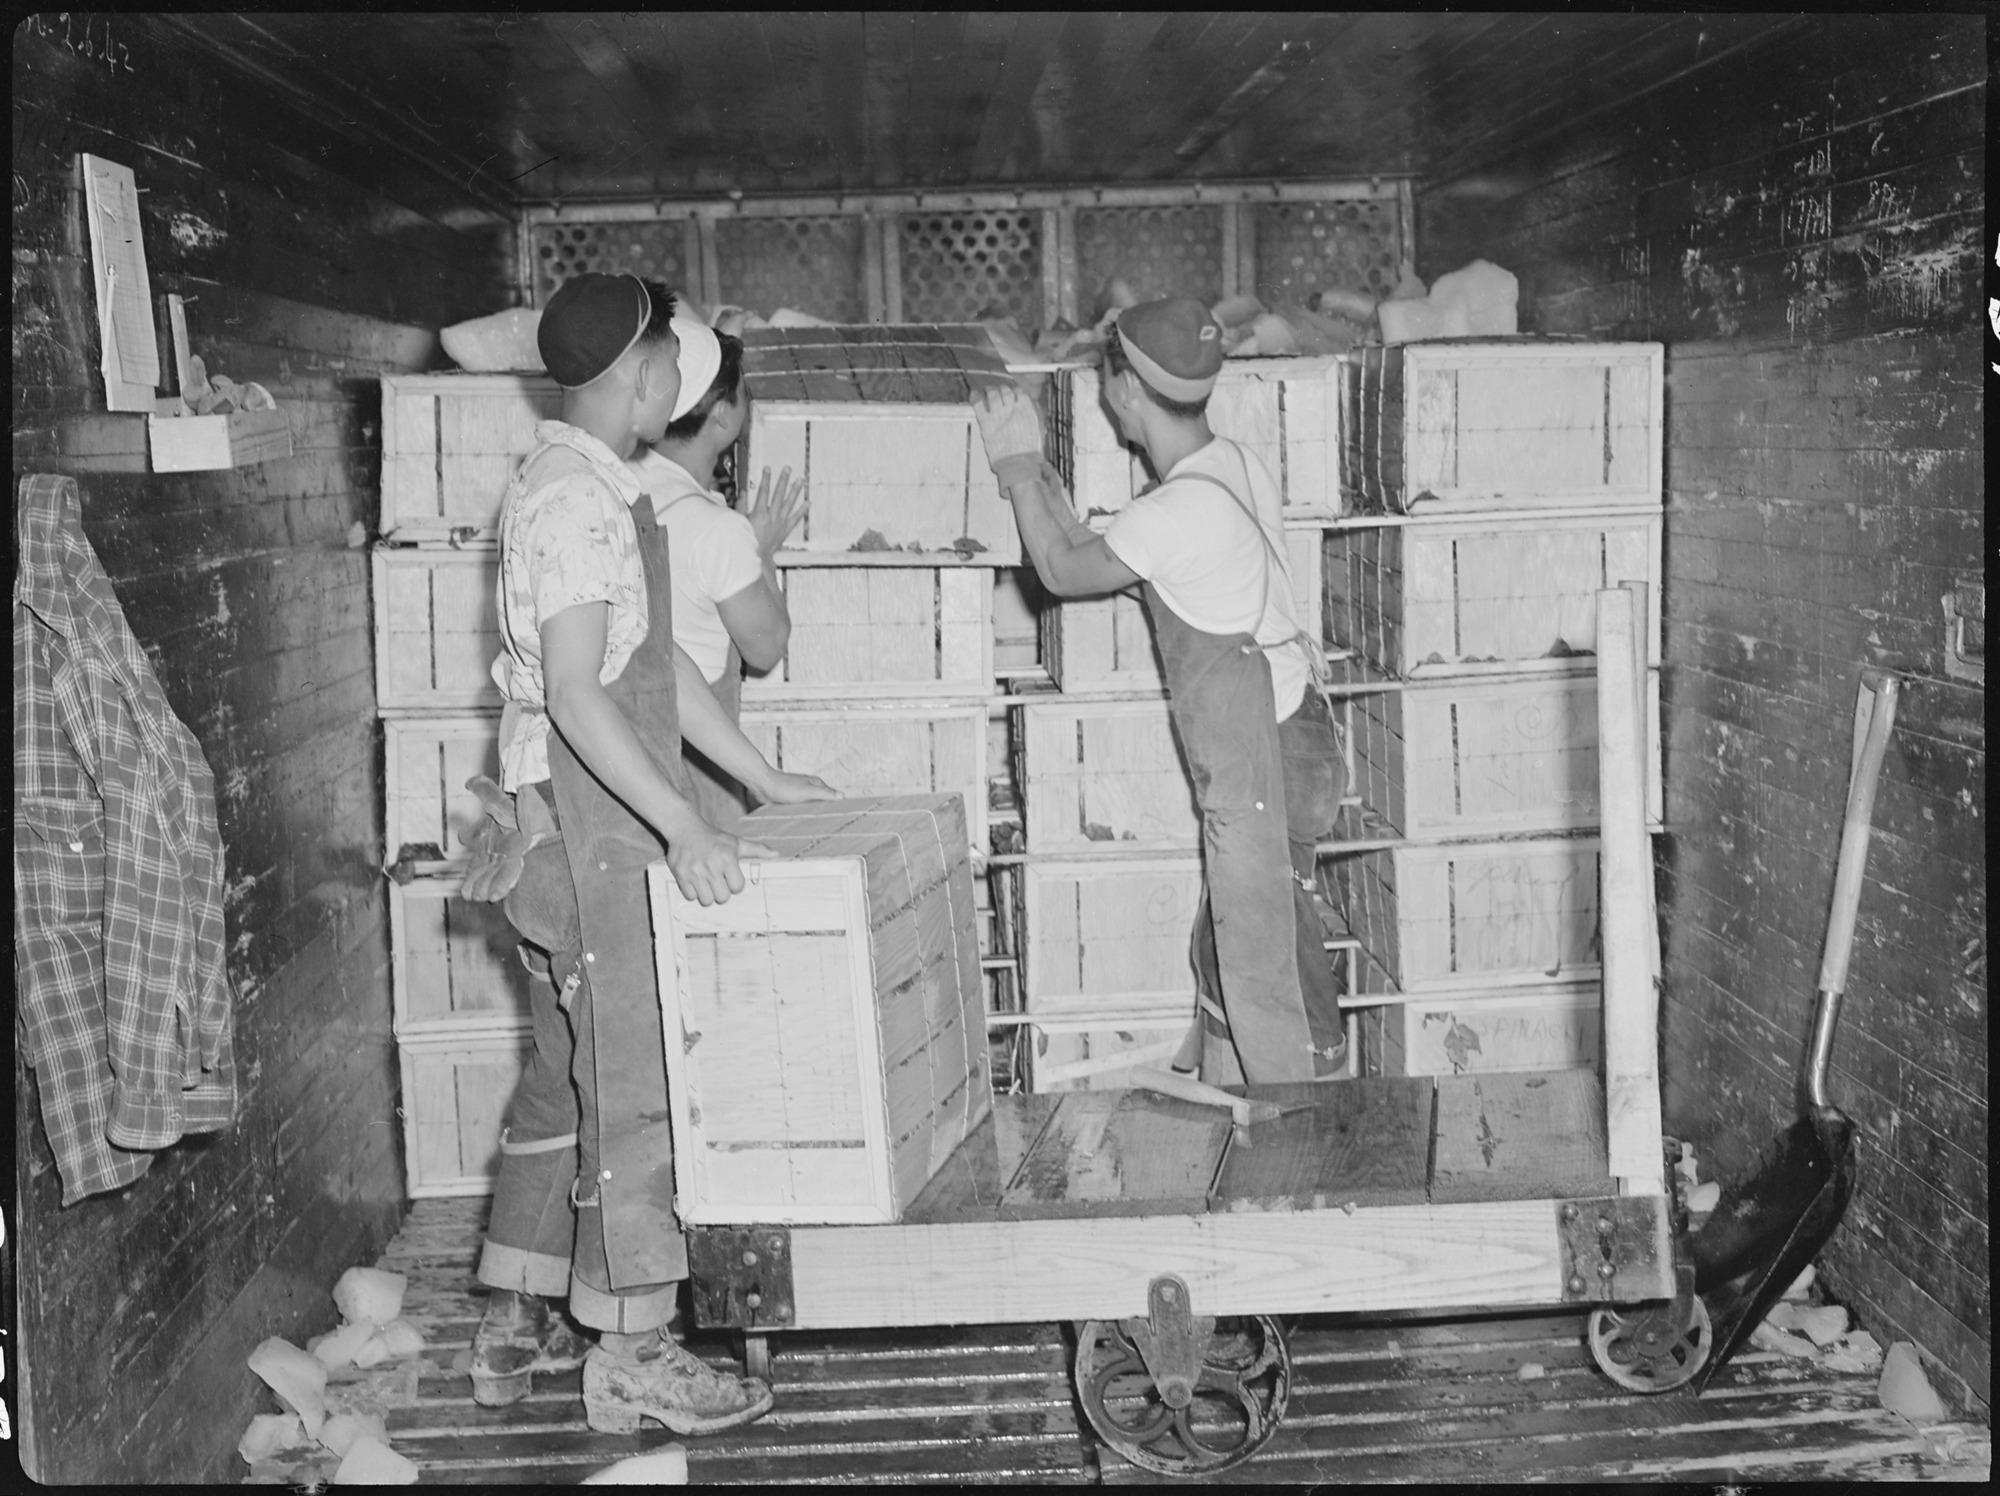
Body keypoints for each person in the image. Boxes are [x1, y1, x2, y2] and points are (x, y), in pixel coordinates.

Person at [456, 272, 835, 1436]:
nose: (685, 373)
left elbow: (652, 678)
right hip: (591, 836)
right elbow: (577, 693)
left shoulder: (602, 487)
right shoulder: (572, 502)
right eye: (675, 352)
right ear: (639, 373)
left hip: (581, 825)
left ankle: (516, 1299)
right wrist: (682, 821)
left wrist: (766, 781)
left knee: (570, 1077)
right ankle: (630, 1351)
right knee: (638, 1086)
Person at [973, 297, 1348, 1088]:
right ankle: (1230, 1088)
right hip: (1299, 732)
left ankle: (1303, 1127)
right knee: (1234, 934)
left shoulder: (1173, 512)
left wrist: (1014, 470)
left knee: (1260, 957)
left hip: (1259, 756)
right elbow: (1096, 547)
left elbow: (1066, 570)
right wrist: (1042, 473)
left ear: (1127, 392)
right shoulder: (1232, 465)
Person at [627, 309, 807, 823]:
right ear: (725, 417)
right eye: (744, 393)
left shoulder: (624, 479)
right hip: (697, 759)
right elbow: (766, 647)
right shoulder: (719, 530)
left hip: (634, 747)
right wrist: (761, 549)